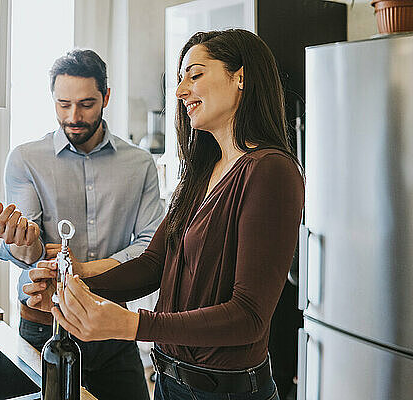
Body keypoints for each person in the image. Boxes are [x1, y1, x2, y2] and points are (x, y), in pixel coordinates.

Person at [25, 29, 304, 400]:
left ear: (241, 77)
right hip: (172, 382)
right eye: (180, 78)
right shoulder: (203, 170)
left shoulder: (270, 170)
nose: (180, 91)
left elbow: (248, 317)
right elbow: (154, 264)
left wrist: (132, 324)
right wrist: (71, 289)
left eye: (196, 74)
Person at [0, 49, 163, 400]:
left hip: (113, 324)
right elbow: (31, 251)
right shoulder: (25, 159)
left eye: (86, 104)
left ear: (106, 97)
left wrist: (82, 271)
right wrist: (21, 240)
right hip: (46, 327)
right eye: (63, 104)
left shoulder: (140, 164)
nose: (73, 116)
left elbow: (151, 243)